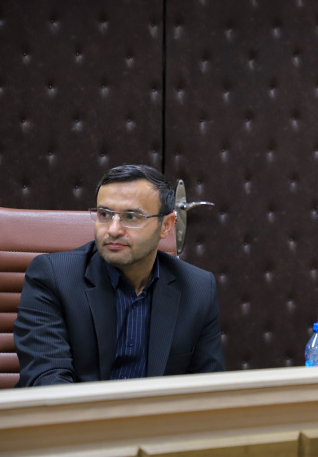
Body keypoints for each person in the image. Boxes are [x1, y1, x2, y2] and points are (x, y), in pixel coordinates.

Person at [14, 165, 225, 386]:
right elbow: (48, 384)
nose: (113, 230)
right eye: (104, 214)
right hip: (75, 408)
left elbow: (208, 389)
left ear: (166, 225)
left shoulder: (198, 289)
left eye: (131, 217)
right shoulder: (52, 277)